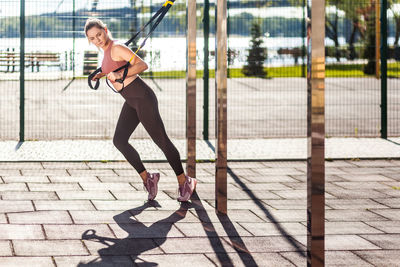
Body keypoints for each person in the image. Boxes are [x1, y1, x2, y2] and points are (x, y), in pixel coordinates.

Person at [84, 18, 197, 202]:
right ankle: (148, 178)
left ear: (105, 30)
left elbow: (142, 65)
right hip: (130, 101)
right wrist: (102, 73)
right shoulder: (106, 53)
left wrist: (119, 74)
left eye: (99, 34)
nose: (98, 39)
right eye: (93, 38)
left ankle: (185, 181)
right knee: (119, 141)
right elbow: (115, 66)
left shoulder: (116, 47)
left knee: (161, 141)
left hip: (143, 98)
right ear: (89, 41)